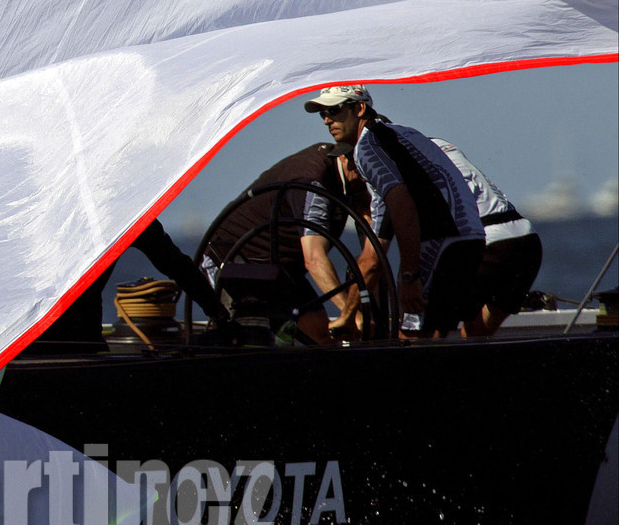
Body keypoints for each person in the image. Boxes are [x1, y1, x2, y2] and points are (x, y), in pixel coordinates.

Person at [304, 85, 484, 338]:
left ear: (360, 108)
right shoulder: (401, 133)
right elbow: (373, 255)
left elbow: (402, 205)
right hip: (471, 235)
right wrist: (348, 314)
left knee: (410, 337)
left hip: (439, 241)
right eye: (322, 114)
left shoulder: (368, 147)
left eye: (334, 110)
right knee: (446, 331)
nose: (326, 120)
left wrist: (410, 276)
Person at [202, 142, 371, 345]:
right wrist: (349, 313)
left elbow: (373, 251)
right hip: (235, 260)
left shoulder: (356, 181)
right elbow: (314, 259)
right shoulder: (313, 182)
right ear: (345, 158)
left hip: (280, 266)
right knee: (246, 340)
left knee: (319, 333)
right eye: (367, 166)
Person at [40, 218, 229, 349]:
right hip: (79, 342)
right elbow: (176, 264)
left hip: (22, 341)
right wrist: (218, 314)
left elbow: (176, 264)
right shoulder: (123, 212)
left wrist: (216, 311)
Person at [429, 138, 543, 336]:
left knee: (429, 327)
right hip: (527, 239)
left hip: (493, 242)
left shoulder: (400, 162)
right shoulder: (441, 145)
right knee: (476, 333)